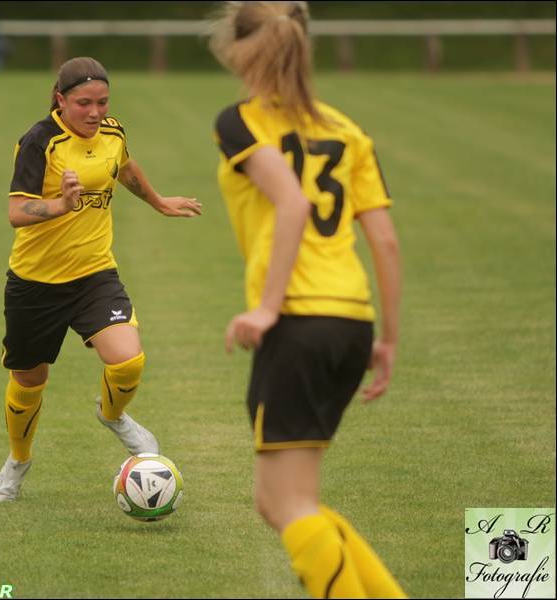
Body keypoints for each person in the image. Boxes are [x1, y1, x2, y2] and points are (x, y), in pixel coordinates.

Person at [210, 3, 405, 598]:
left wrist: (268, 307)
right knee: (287, 502)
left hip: (298, 323)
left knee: (286, 503)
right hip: (351, 321)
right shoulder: (348, 130)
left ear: (237, 50)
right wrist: (387, 338)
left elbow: (292, 203)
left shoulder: (240, 121)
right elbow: (386, 241)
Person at [0, 56, 202, 502]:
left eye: (102, 102)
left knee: (127, 360)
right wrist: (62, 205)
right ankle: (18, 461)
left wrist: (159, 201)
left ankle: (113, 416)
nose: (95, 112)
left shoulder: (112, 132)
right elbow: (16, 211)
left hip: (94, 274)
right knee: (29, 381)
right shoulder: (39, 142)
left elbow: (124, 168)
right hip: (35, 283)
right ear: (60, 100)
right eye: (84, 103)